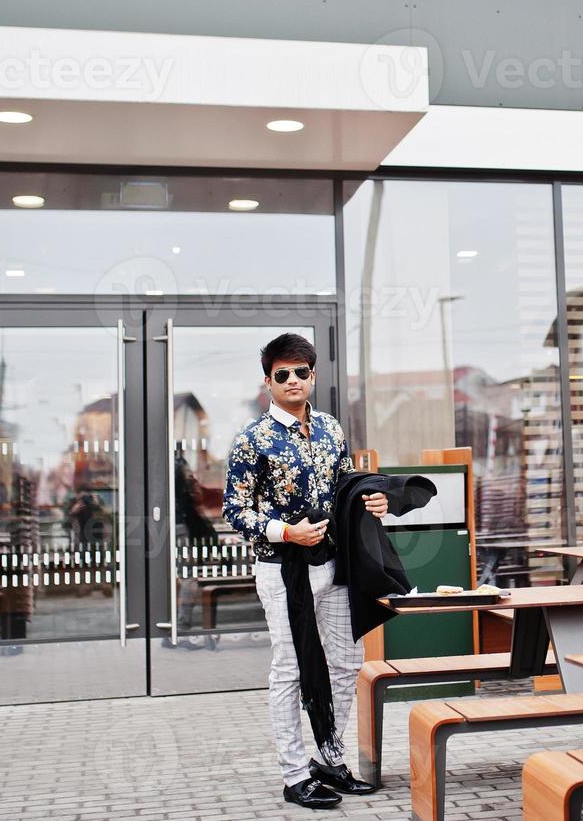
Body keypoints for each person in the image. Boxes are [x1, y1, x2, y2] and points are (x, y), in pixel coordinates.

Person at [223, 332, 387, 810]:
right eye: (283, 374)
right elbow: (235, 511)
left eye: (302, 372)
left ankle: (328, 758)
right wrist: (285, 532)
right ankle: (295, 775)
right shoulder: (252, 439)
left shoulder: (332, 429)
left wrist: (371, 500)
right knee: (291, 671)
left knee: (346, 664)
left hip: (334, 566)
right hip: (281, 570)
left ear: (313, 375)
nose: (293, 380)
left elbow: (346, 486)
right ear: (268, 381)